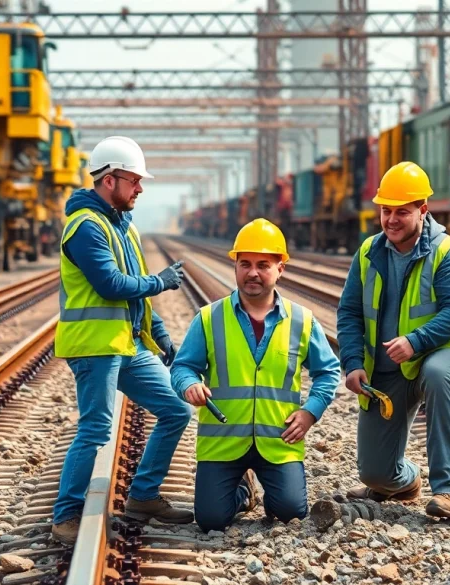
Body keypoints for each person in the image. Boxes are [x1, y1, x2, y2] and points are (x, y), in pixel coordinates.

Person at [51, 136, 194, 544]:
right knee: (96, 429)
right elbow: (112, 284)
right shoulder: (85, 226)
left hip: (128, 345)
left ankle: (143, 496)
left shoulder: (123, 227)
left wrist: (161, 336)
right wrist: (160, 282)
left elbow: (135, 297)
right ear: (110, 180)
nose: (140, 188)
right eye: (134, 180)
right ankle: (66, 516)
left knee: (176, 411)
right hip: (95, 345)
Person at [170, 218, 342, 532]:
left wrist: (310, 412)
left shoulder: (301, 320)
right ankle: (243, 492)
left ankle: (271, 491)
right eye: (245, 264)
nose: (252, 273)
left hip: (277, 440)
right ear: (235, 266)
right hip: (223, 441)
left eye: (263, 265)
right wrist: (189, 384)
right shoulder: (209, 318)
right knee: (211, 520)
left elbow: (329, 371)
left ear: (280, 269)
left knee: (290, 513)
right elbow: (182, 367)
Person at [335, 161, 450, 520]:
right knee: (376, 476)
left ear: (423, 210)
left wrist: (416, 341)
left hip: (446, 352)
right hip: (391, 368)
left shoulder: (447, 252)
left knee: (437, 373)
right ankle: (407, 480)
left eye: (402, 212)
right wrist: (353, 363)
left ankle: (448, 491)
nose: (391, 220)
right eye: (386, 211)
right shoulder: (368, 252)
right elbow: (349, 312)